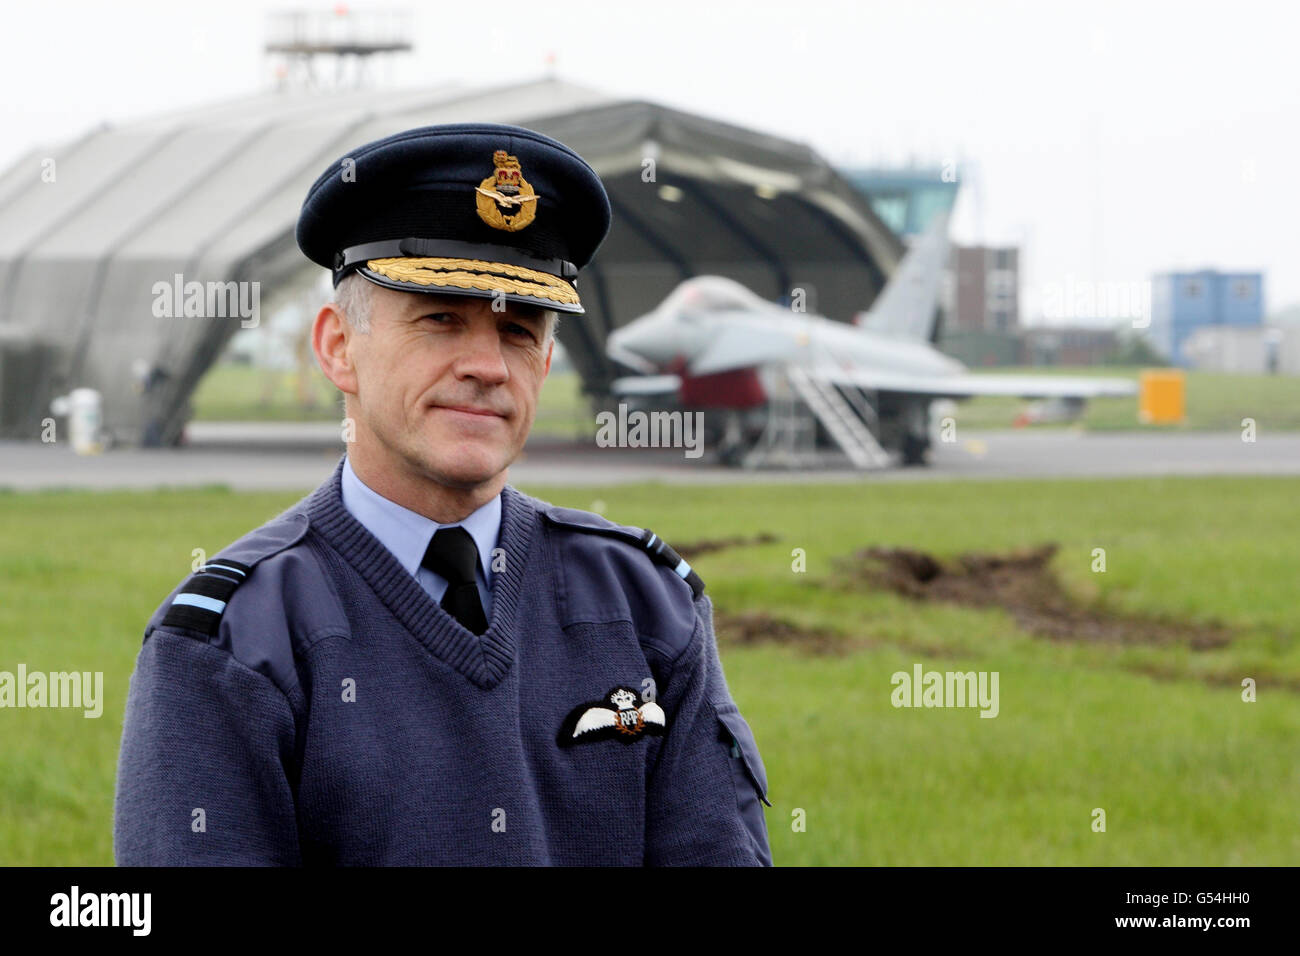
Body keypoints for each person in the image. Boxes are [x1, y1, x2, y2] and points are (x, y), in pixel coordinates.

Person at [113, 122, 772, 866]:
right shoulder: (232, 643)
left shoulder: (647, 605)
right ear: (337, 347)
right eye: (440, 320)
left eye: (520, 331)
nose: (488, 365)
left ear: (547, 360)